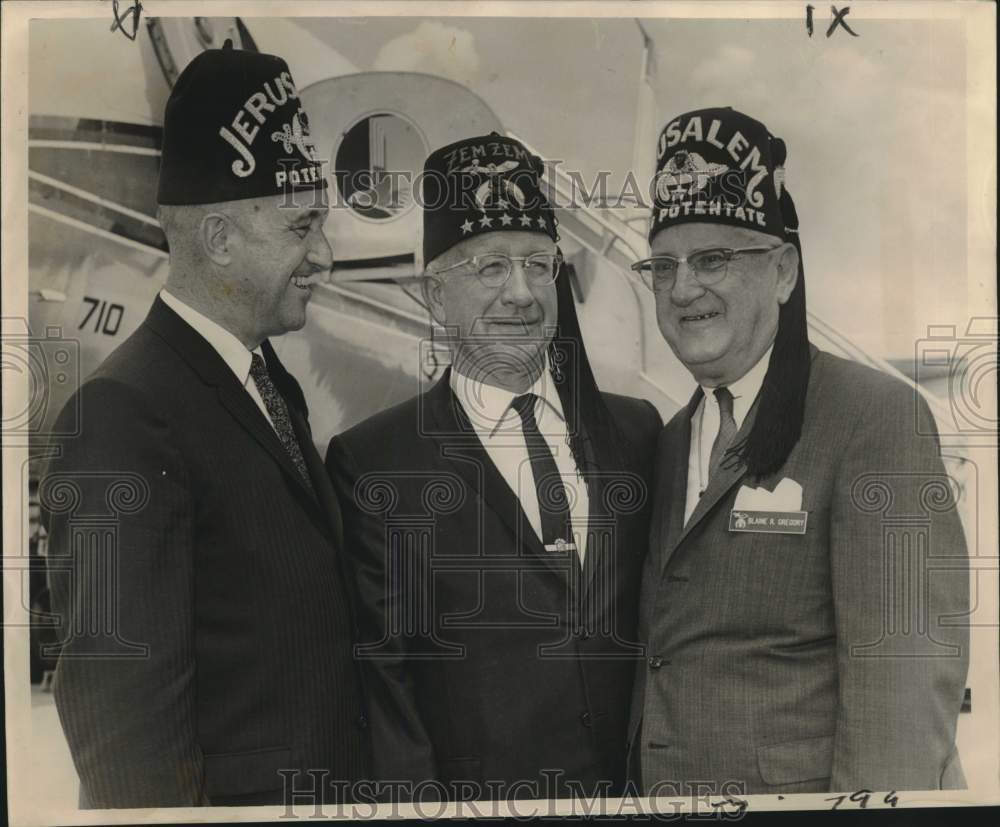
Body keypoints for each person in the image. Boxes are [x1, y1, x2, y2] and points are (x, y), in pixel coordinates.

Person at [40, 42, 369, 808]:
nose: (324, 256)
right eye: (300, 228)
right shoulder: (121, 417)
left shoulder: (266, 382)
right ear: (219, 240)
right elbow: (126, 744)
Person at [627, 107, 970, 795]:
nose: (683, 287)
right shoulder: (666, 442)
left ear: (782, 271)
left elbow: (902, 699)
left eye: (713, 258)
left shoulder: (873, 419)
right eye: (663, 266)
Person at [327, 134, 662, 802]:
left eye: (540, 266)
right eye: (490, 269)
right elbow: (388, 697)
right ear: (433, 295)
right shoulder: (376, 465)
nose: (522, 294)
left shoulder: (636, 433)